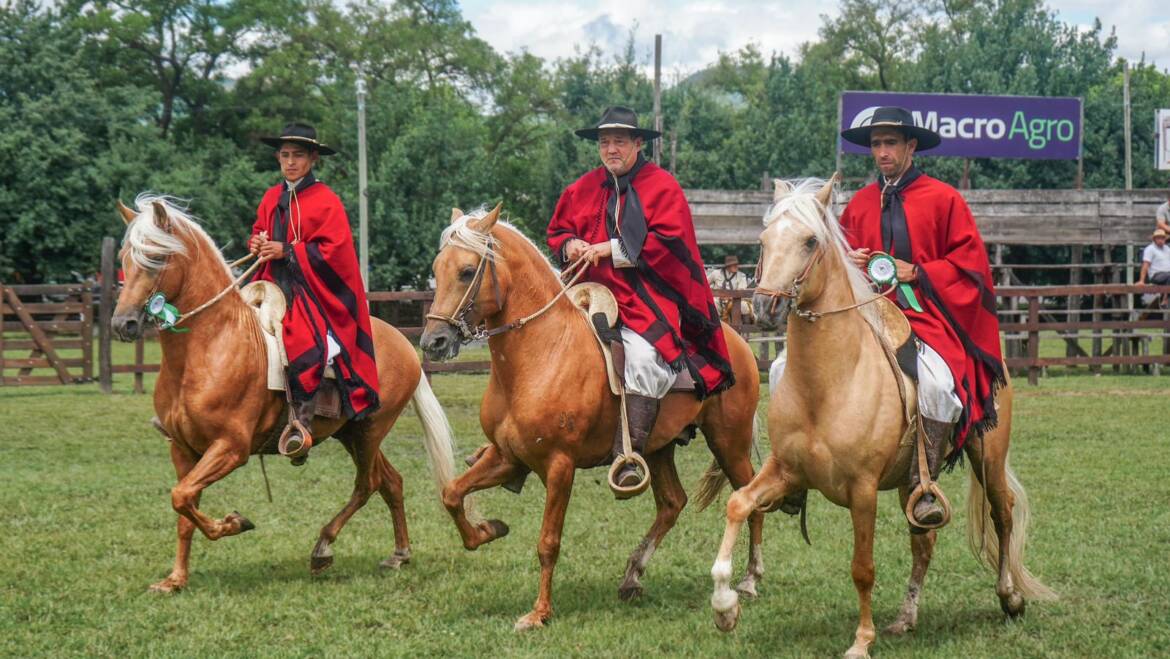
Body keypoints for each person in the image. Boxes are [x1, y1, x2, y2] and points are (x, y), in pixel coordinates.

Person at [547, 106, 735, 497]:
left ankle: (627, 456)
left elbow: (669, 245)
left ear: (637, 143)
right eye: (604, 142)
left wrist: (607, 249)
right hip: (587, 295)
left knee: (646, 360)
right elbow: (558, 230)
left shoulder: (662, 187)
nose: (610, 149)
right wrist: (571, 244)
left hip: (648, 300)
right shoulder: (580, 188)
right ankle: (525, 439)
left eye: (619, 141)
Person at [838, 106, 1005, 529]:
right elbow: (836, 264)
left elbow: (971, 264)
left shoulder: (944, 198)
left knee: (934, 382)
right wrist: (849, 259)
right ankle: (802, 466)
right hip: (867, 316)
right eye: (876, 144)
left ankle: (924, 483)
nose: (882, 152)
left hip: (927, 317)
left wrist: (921, 271)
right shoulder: (858, 203)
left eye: (890, 143)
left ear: (911, 146)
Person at [249, 122, 380, 462]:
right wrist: (258, 242)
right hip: (271, 283)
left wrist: (288, 251)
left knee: (303, 343)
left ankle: (300, 424)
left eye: (298, 156)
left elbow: (335, 252)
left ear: (313, 159)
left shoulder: (326, 201)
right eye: (285, 155)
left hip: (312, 289)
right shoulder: (269, 197)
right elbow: (259, 230)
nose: (290, 162)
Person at [708, 255, 755, 323]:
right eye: (733, 265)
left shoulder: (741, 276)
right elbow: (705, 284)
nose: (736, 266)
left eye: (737, 264)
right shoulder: (716, 273)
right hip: (718, 299)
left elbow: (741, 290)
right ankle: (715, 327)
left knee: (743, 306)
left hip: (733, 300)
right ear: (727, 266)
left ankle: (743, 329)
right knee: (713, 303)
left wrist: (730, 297)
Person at [1138, 228, 1170, 308]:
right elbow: (1145, 265)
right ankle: (1165, 299)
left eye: (1162, 238)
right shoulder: (1150, 249)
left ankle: (1165, 298)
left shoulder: (1167, 249)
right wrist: (1141, 281)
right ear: (1154, 239)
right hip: (1156, 275)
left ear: (1164, 239)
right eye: (1158, 238)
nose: (1160, 240)